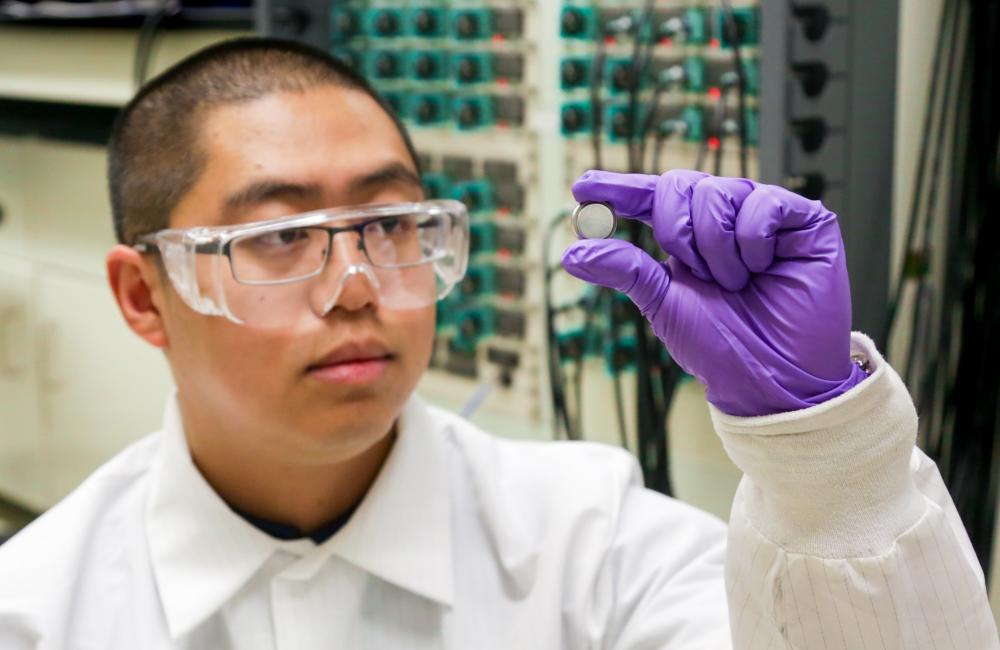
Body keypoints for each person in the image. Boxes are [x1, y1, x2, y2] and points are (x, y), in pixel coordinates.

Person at [0, 37, 996, 649]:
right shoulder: (36, 610)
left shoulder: (592, 549)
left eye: (390, 224)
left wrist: (824, 455)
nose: (356, 286)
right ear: (144, 294)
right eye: (280, 237)